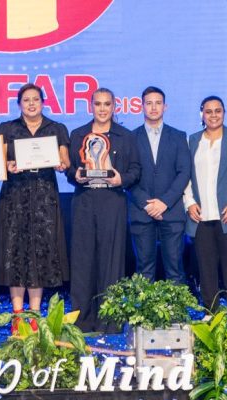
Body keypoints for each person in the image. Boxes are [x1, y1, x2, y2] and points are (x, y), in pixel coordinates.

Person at [0, 83, 71, 331]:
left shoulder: (56, 128)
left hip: (44, 197)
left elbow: (65, 160)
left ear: (43, 102)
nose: (31, 104)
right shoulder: (7, 128)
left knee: (40, 253)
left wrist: (62, 165)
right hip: (14, 197)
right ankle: (18, 315)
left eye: (35, 99)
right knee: (15, 252)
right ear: (19, 104)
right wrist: (7, 166)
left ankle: (35, 315)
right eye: (26, 100)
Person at [67, 88, 141, 333]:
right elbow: (70, 170)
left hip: (112, 201)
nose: (102, 109)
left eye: (107, 104)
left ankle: (110, 320)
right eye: (97, 104)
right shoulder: (78, 134)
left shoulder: (125, 136)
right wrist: (75, 175)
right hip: (84, 201)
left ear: (114, 107)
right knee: (82, 261)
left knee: (112, 260)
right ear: (91, 106)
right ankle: (82, 321)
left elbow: (135, 170)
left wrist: (122, 179)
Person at [183, 96, 227, 310]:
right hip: (201, 216)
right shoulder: (192, 140)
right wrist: (189, 202)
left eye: (218, 110)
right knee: (206, 269)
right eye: (208, 111)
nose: (213, 115)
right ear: (202, 114)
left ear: (223, 113)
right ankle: (211, 311)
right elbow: (185, 175)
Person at [128, 86, 190, 283]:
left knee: (175, 270)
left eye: (158, 103)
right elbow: (128, 176)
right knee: (144, 270)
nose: (153, 107)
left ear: (165, 107)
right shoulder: (130, 138)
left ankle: (177, 305)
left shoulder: (178, 136)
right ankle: (144, 306)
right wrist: (147, 204)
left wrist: (164, 202)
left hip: (171, 211)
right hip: (141, 211)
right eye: (149, 103)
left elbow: (184, 172)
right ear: (141, 107)